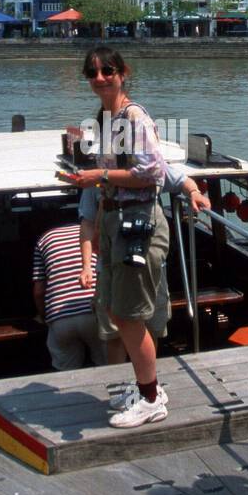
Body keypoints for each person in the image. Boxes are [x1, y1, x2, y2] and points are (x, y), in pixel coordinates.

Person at [59, 47, 171, 429]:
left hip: (137, 222)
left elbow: (152, 171)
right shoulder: (104, 119)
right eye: (92, 72)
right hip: (114, 222)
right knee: (114, 310)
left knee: (129, 314)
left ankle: (152, 397)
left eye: (107, 71)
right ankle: (144, 388)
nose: (100, 78)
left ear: (123, 72)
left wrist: (98, 178)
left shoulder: (133, 116)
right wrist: (91, 183)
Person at [79, 162, 210, 407]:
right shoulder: (96, 173)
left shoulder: (146, 163)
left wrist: (193, 193)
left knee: (150, 323)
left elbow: (181, 179)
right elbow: (88, 222)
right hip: (111, 261)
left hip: (144, 256)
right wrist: (87, 265)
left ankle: (148, 387)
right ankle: (120, 389)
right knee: (116, 331)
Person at [32, 223, 105, 370]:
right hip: (93, 311)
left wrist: (45, 317)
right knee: (106, 367)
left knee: (67, 375)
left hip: (60, 318)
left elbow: (39, 291)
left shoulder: (44, 240)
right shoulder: (94, 232)